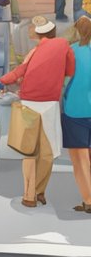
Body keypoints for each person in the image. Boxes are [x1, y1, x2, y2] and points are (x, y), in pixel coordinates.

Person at [0, 15, 75, 208]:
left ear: (39, 35)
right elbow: (70, 71)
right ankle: (40, 191)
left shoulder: (33, 52)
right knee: (47, 152)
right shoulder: (64, 46)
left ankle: (28, 196)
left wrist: (2, 81)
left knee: (29, 151)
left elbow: (20, 71)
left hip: (28, 105)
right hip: (49, 104)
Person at [64, 17, 91, 214]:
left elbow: (62, 76)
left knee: (80, 159)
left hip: (75, 109)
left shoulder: (71, 50)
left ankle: (88, 201)